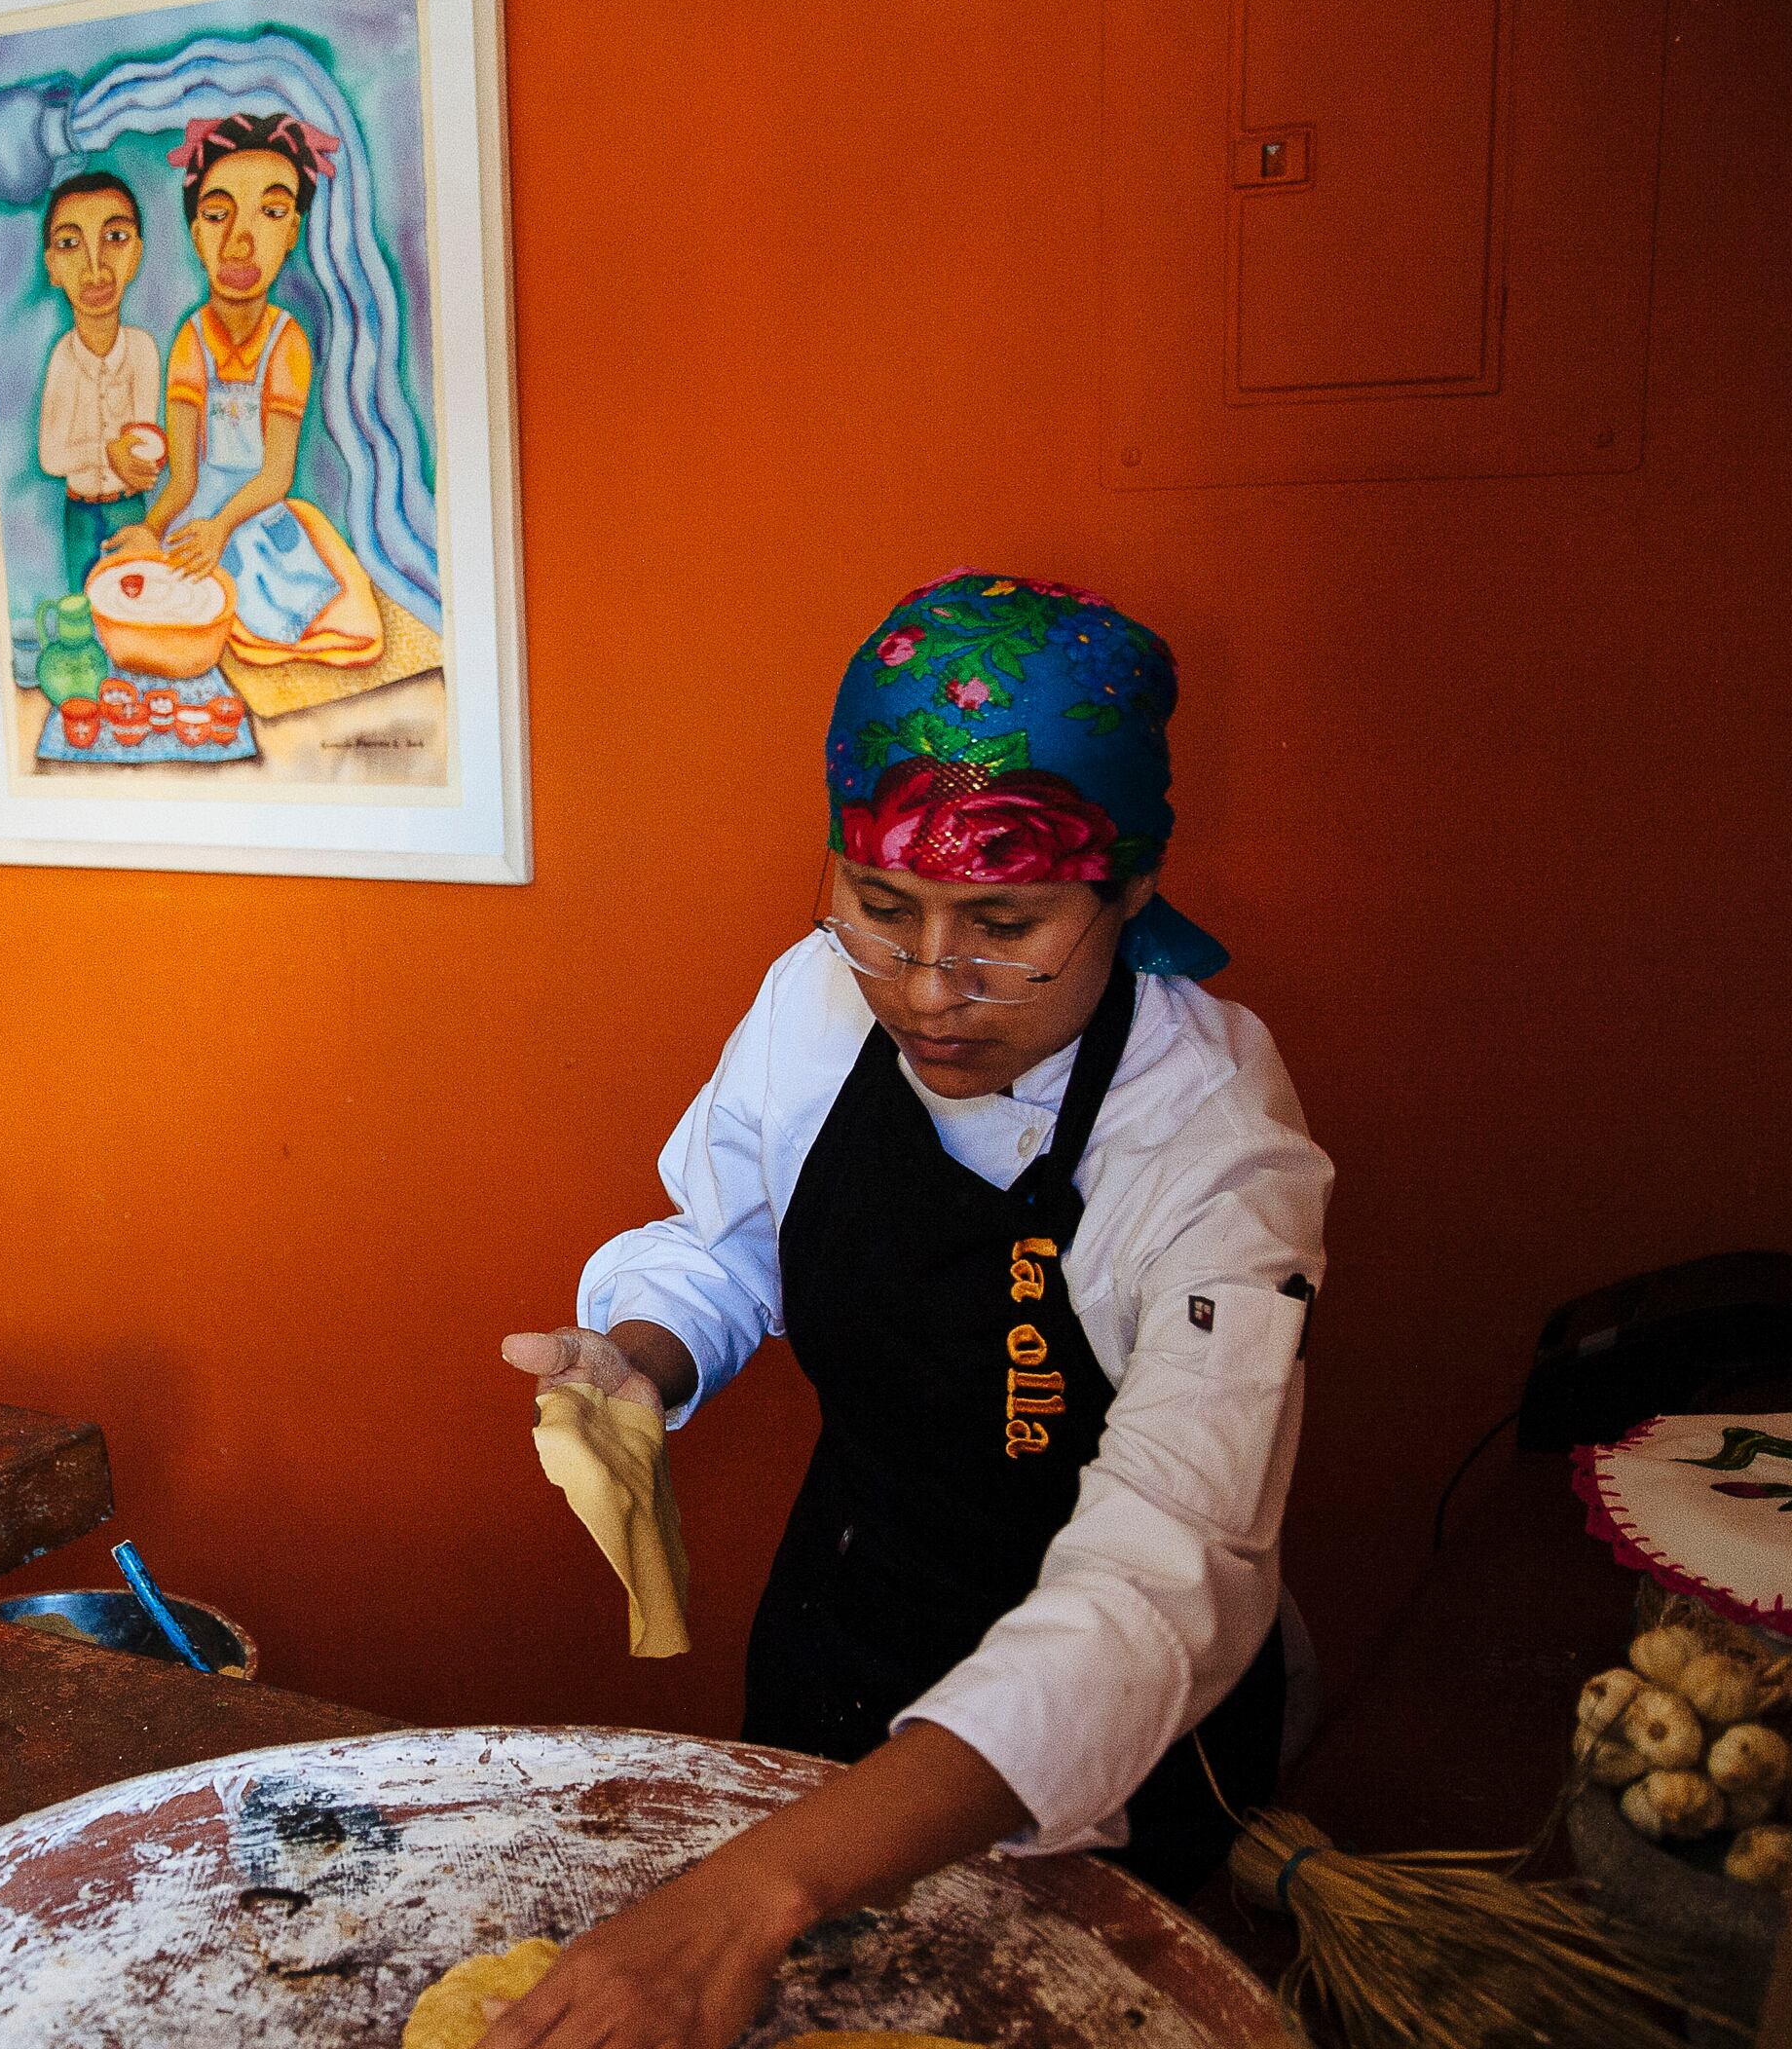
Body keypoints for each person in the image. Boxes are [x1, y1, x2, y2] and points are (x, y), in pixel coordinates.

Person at [488, 572, 1330, 2049]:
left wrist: (748, 1897)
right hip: (838, 1633)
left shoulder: (1213, 1143)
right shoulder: (816, 1002)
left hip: (1100, 1751)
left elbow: (1161, 1577)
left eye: (1004, 924)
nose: (932, 986)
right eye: (882, 910)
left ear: (1128, 893)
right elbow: (733, 1240)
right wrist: (639, 1355)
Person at [104, 110, 384, 668]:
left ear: (293, 233)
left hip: (253, 516)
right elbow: (183, 475)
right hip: (195, 519)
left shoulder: (287, 342)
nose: (239, 243)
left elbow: (277, 475)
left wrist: (221, 529)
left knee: (264, 616)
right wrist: (152, 528)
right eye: (216, 216)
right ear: (194, 233)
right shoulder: (190, 340)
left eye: (272, 212)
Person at [33, 168, 164, 591]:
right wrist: (109, 452)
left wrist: (144, 460)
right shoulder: (63, 360)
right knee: (84, 610)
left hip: (131, 508)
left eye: (115, 238)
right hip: (80, 514)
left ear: (137, 255)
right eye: (70, 244)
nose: (95, 269)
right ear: (52, 266)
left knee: (139, 609)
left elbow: (144, 441)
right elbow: (51, 457)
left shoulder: (143, 350)